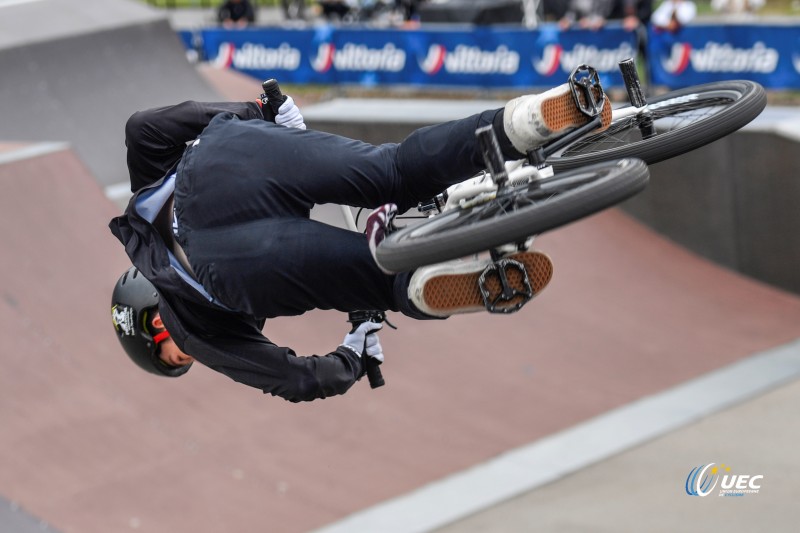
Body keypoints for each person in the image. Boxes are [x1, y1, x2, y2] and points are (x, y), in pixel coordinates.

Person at [109, 82, 603, 402]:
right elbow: (143, 128)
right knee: (393, 171)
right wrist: (258, 112)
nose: (183, 348)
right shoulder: (147, 182)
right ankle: (521, 123)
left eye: (172, 348)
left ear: (152, 309)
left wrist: (353, 354)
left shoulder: (198, 329)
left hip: (237, 271)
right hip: (227, 165)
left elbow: (295, 379)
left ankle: (435, 285)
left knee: (377, 278)